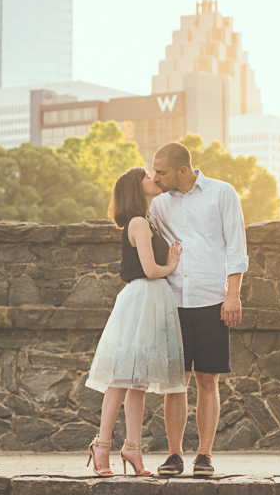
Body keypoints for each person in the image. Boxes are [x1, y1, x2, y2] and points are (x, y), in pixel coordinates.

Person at [150, 142, 248, 477]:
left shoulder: (222, 193)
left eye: (160, 171)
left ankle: (204, 455)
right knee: (175, 382)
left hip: (211, 299)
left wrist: (232, 295)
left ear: (182, 169)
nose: (155, 176)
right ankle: (174, 455)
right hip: (172, 300)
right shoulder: (158, 203)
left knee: (208, 379)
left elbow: (236, 245)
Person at [85, 166, 186, 476]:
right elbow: (150, 269)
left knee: (137, 382)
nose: (153, 179)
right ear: (135, 188)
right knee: (121, 377)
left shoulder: (148, 221)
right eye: (147, 176)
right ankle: (101, 445)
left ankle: (132, 448)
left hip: (152, 300)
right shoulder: (139, 223)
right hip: (143, 297)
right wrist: (171, 264)